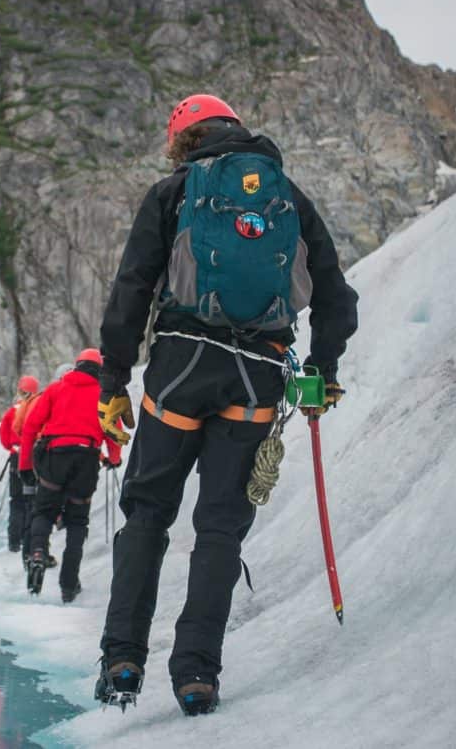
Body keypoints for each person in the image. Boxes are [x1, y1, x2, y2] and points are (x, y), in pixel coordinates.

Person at [93, 94, 359, 715]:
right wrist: (323, 371)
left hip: (181, 366)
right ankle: (196, 676)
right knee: (219, 529)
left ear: (184, 140)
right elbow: (336, 297)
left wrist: (112, 381)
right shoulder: (286, 197)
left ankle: (123, 660)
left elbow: (131, 289)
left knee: (148, 515)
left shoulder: (172, 193)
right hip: (258, 374)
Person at [20, 348, 122, 602]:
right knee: (77, 522)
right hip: (87, 460)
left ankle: (37, 554)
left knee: (44, 512)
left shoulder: (56, 389)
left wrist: (24, 466)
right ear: (99, 370)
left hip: (55, 457)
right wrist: (114, 458)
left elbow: (31, 426)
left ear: (76, 366)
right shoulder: (105, 395)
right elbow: (114, 432)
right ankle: (69, 584)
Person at [0, 376, 40, 552]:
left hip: (16, 457)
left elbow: (3, 436)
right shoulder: (36, 407)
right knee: (31, 499)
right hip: (33, 458)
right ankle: (27, 538)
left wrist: (12, 447)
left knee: (16, 500)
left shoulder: (11, 412)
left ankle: (13, 542)